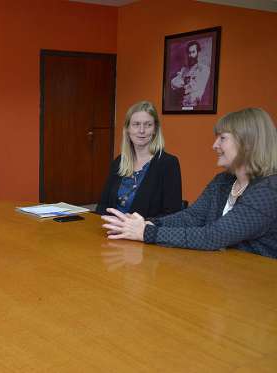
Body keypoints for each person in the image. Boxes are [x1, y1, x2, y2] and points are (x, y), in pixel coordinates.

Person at [101, 108, 277, 259]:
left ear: (248, 143)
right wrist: (146, 223)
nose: (214, 145)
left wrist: (145, 232)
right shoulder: (223, 181)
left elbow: (214, 236)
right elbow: (191, 217)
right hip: (220, 271)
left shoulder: (269, 190)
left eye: (222, 138)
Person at [96, 101, 182, 219]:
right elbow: (102, 205)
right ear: (127, 129)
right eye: (136, 124)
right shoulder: (119, 162)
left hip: (144, 234)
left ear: (155, 129)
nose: (141, 130)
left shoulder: (168, 163)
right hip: (111, 230)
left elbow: (172, 215)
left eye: (148, 125)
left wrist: (138, 225)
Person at [170, 40, 211, 107]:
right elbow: (173, 83)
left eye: (193, 52)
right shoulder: (184, 70)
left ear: (198, 52)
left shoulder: (204, 69)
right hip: (182, 105)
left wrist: (184, 85)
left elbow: (200, 89)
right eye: (189, 53)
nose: (190, 55)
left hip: (196, 107)